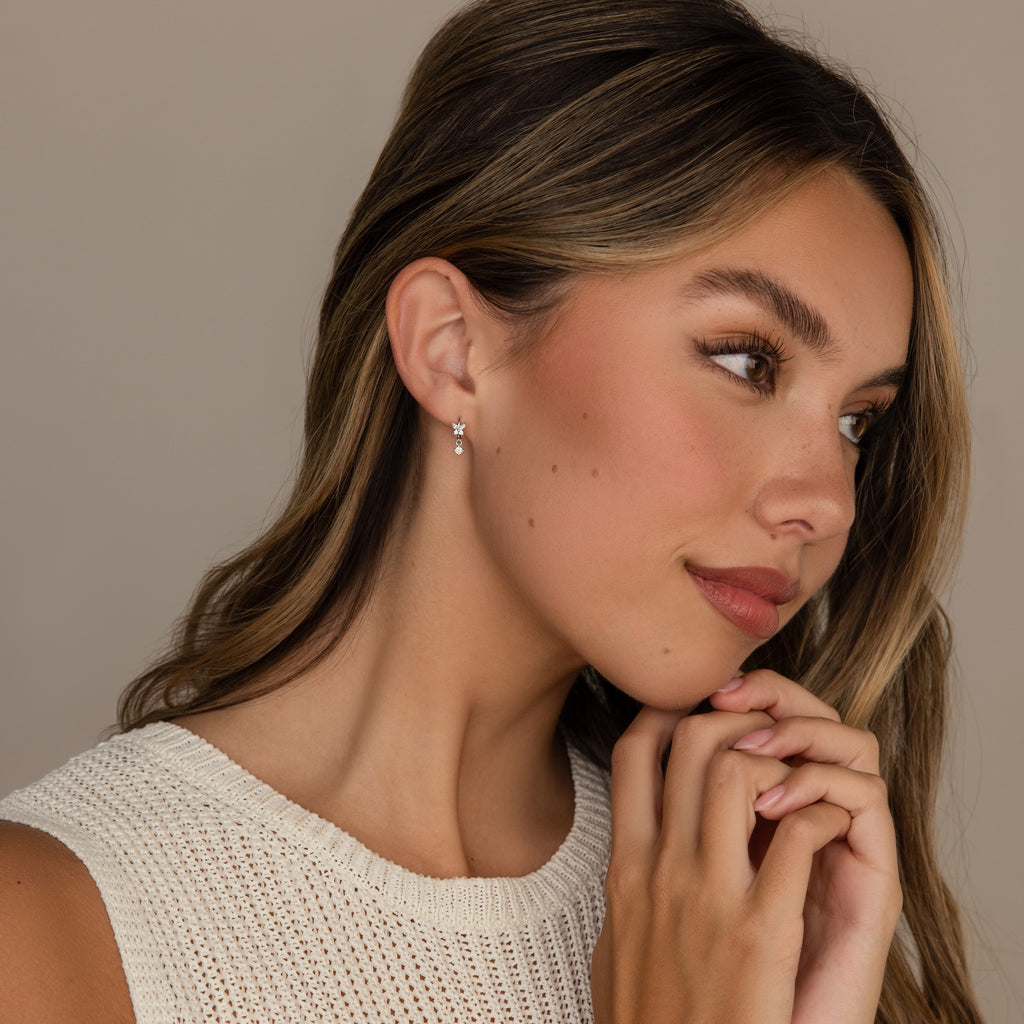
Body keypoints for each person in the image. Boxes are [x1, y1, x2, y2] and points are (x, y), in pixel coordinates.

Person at [0, 0, 983, 1021]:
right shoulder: (57, 924)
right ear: (452, 349)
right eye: (746, 360)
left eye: (858, 422)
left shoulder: (764, 905)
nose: (825, 502)